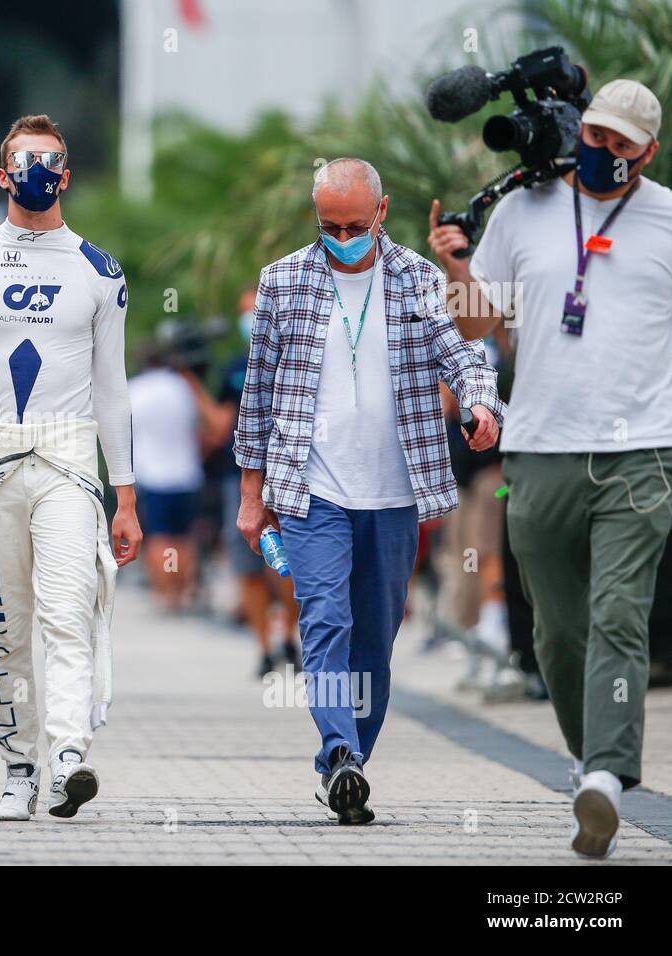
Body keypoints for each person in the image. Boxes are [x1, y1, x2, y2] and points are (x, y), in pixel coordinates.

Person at [428, 79, 672, 858]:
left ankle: (605, 776)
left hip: (643, 452)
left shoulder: (668, 219)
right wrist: (458, 267)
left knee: (618, 617)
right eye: (596, 136)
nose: (604, 152)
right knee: (558, 636)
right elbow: (476, 323)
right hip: (537, 451)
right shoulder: (522, 211)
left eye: (622, 145)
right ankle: (585, 755)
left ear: (648, 151)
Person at [236, 157, 503, 826]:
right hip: (311, 488)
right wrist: (251, 495)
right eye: (330, 225)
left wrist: (480, 403)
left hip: (394, 492)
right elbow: (256, 394)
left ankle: (346, 767)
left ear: (380, 214)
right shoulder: (283, 281)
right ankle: (338, 750)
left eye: (356, 224)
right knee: (326, 618)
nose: (344, 236)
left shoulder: (416, 277)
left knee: (376, 639)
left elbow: (463, 353)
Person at [0, 114, 141, 821]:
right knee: (5, 629)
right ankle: (20, 768)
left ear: (66, 174)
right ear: (2, 172)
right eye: (23, 161)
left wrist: (125, 495)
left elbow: (114, 386)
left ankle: (70, 755)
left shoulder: (101, 272)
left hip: (69, 456)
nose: (36, 172)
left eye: (49, 161)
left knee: (69, 612)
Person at [212, 290, 300, 676]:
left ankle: (291, 638)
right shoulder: (234, 367)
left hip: (288, 474)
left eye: (254, 311)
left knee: (288, 563)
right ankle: (264, 649)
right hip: (239, 478)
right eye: (244, 312)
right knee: (247, 566)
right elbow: (218, 426)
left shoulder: (293, 355)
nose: (250, 319)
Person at [128, 349, 203, 612]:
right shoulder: (182, 387)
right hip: (185, 473)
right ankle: (181, 592)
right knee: (183, 536)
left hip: (152, 474)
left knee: (159, 537)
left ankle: (164, 592)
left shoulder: (135, 390)